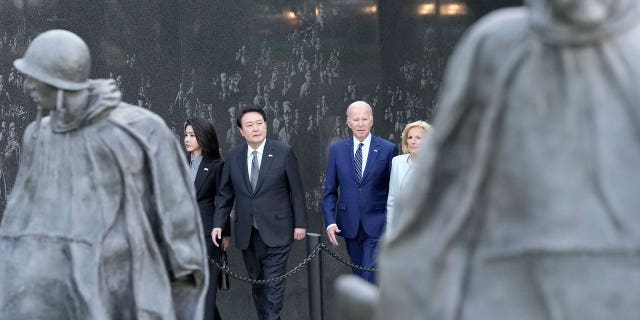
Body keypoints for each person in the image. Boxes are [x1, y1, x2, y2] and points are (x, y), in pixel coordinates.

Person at [377, 0, 640, 319]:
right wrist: (405, 289)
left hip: (619, 286)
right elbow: (437, 183)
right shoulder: (496, 44)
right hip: (508, 286)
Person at [0, 29, 207, 319]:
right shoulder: (38, 136)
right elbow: (20, 224)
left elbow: (179, 223)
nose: (28, 83)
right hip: (56, 293)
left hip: (122, 288)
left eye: (37, 75)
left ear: (61, 81)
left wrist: (182, 299)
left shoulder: (141, 130)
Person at [211, 105, 307, 320]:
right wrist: (219, 224)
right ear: (241, 131)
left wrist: (300, 224)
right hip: (248, 233)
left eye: (259, 123)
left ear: (266, 125)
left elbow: (297, 191)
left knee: (273, 285)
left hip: (278, 230)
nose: (256, 129)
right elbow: (225, 195)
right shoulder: (234, 156)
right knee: (258, 285)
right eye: (250, 125)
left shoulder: (283, 152)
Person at [322, 100, 398, 283]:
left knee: (369, 274)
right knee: (359, 274)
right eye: (356, 119)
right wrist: (330, 222)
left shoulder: (388, 149)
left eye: (365, 119)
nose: (361, 123)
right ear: (348, 122)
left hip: (379, 225)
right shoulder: (337, 150)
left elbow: (394, 190)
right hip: (349, 224)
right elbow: (330, 191)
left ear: (372, 121)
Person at [184, 118, 231, 320]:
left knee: (206, 291)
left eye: (192, 135)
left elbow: (223, 200)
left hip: (207, 234)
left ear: (203, 137)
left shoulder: (216, 165)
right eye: (185, 134)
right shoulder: (180, 161)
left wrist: (223, 231)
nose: (187, 139)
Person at [385, 120, 431, 237]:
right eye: (410, 137)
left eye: (418, 138)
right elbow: (392, 200)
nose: (413, 141)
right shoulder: (397, 162)